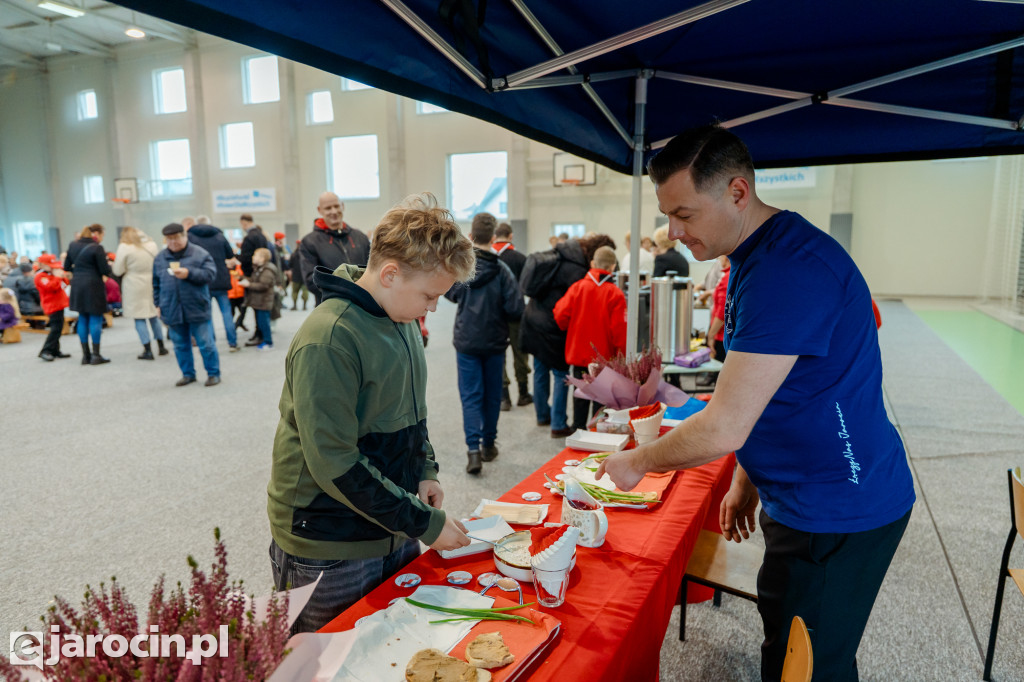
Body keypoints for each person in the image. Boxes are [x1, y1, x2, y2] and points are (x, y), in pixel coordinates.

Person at [596, 124, 915, 681]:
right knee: (790, 639)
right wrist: (747, 479)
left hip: (838, 504)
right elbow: (770, 391)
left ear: (737, 192)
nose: (672, 232)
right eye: (668, 215)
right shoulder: (755, 255)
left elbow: (724, 425)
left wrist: (636, 463)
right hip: (803, 493)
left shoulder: (787, 271)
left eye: (685, 214)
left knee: (806, 665)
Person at [267, 193, 475, 634]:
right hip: (330, 543)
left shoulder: (400, 321)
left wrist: (425, 468)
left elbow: (412, 415)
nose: (434, 307)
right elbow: (335, 464)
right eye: (430, 295)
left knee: (394, 649)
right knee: (324, 662)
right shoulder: (330, 337)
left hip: (392, 521)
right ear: (390, 273)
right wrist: (425, 523)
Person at [445, 213, 524, 474]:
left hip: (467, 340)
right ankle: (489, 445)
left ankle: (473, 452)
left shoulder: (463, 268)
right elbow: (515, 308)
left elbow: (451, 293)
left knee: (470, 396)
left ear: (470, 237)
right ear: (493, 238)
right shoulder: (503, 271)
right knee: (492, 395)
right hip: (494, 341)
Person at [519, 233, 616, 438]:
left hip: (533, 317)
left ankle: (545, 416)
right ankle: (559, 424)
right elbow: (571, 311)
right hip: (554, 327)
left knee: (540, 369)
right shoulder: (582, 275)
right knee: (561, 374)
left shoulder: (561, 255)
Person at [553, 245, 627, 430]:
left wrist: (570, 329)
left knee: (580, 394)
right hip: (604, 359)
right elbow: (619, 331)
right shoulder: (615, 294)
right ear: (612, 268)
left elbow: (560, 314)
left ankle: (577, 429)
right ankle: (596, 432)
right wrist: (622, 358)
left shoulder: (577, 288)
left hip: (579, 356)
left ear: (593, 263)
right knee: (601, 401)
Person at [152, 223, 221, 387]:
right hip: (171, 307)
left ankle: (213, 373)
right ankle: (188, 374)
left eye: (176, 238)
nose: (173, 242)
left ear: (184, 236)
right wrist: (158, 304)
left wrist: (189, 273)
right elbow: (155, 284)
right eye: (169, 239)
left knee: (206, 344)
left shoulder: (200, 254)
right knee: (180, 345)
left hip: (197, 305)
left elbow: (210, 275)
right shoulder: (160, 258)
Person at [298, 191, 370, 302]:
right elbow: (311, 280)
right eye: (328, 208)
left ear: (343, 206)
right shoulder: (309, 242)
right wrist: (348, 293)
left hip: (365, 305)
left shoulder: (360, 237)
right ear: (319, 210)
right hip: (332, 307)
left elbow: (372, 269)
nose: (334, 211)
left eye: (336, 206)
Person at [491, 221, 531, 409]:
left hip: (494, 315)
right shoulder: (520, 258)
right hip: (516, 313)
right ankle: (523, 393)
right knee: (520, 353)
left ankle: (504, 397)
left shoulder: (486, 257)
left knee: (499, 355)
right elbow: (527, 287)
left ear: (494, 236)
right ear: (511, 236)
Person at [112, 227, 167, 360]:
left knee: (139, 317)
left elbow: (118, 270)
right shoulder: (152, 244)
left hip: (133, 283)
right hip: (151, 281)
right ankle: (161, 346)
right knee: (153, 314)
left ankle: (147, 349)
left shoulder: (124, 247)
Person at [186, 217, 240, 352]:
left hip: (203, 279)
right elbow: (229, 255)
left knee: (207, 314)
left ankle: (211, 342)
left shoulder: (191, 237)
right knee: (227, 313)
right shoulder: (219, 236)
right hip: (221, 278)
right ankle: (232, 343)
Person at [65, 224, 113, 365]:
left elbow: (66, 266)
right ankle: (96, 355)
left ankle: (85, 356)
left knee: (83, 318)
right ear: (96, 234)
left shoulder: (73, 245)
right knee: (95, 318)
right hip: (93, 285)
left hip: (77, 285)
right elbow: (105, 270)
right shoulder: (97, 247)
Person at [32, 254, 71, 360]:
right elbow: (50, 287)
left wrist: (62, 277)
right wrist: (57, 277)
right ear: (43, 265)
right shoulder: (40, 276)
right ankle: (46, 350)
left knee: (58, 328)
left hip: (60, 304)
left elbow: (64, 285)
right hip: (51, 305)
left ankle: (55, 350)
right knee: (55, 329)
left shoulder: (52, 274)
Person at [238, 247, 278, 351]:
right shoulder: (258, 268)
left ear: (262, 258)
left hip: (264, 302)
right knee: (260, 323)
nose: (253, 257)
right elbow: (254, 280)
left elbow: (263, 285)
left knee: (264, 323)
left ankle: (268, 342)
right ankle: (265, 340)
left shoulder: (267, 270)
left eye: (255, 255)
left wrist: (248, 285)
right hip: (258, 301)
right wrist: (242, 278)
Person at [705, 254, 731, 362]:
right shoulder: (729, 275)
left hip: (720, 335)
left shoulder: (727, 277)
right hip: (724, 333)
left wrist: (711, 335)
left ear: (725, 258)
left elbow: (722, 312)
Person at [289, 240, 308, 310]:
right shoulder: (306, 254)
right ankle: (304, 306)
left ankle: (294, 306)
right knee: (305, 291)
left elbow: (290, 264)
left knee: (294, 292)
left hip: (296, 276)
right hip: (304, 276)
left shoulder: (293, 254)